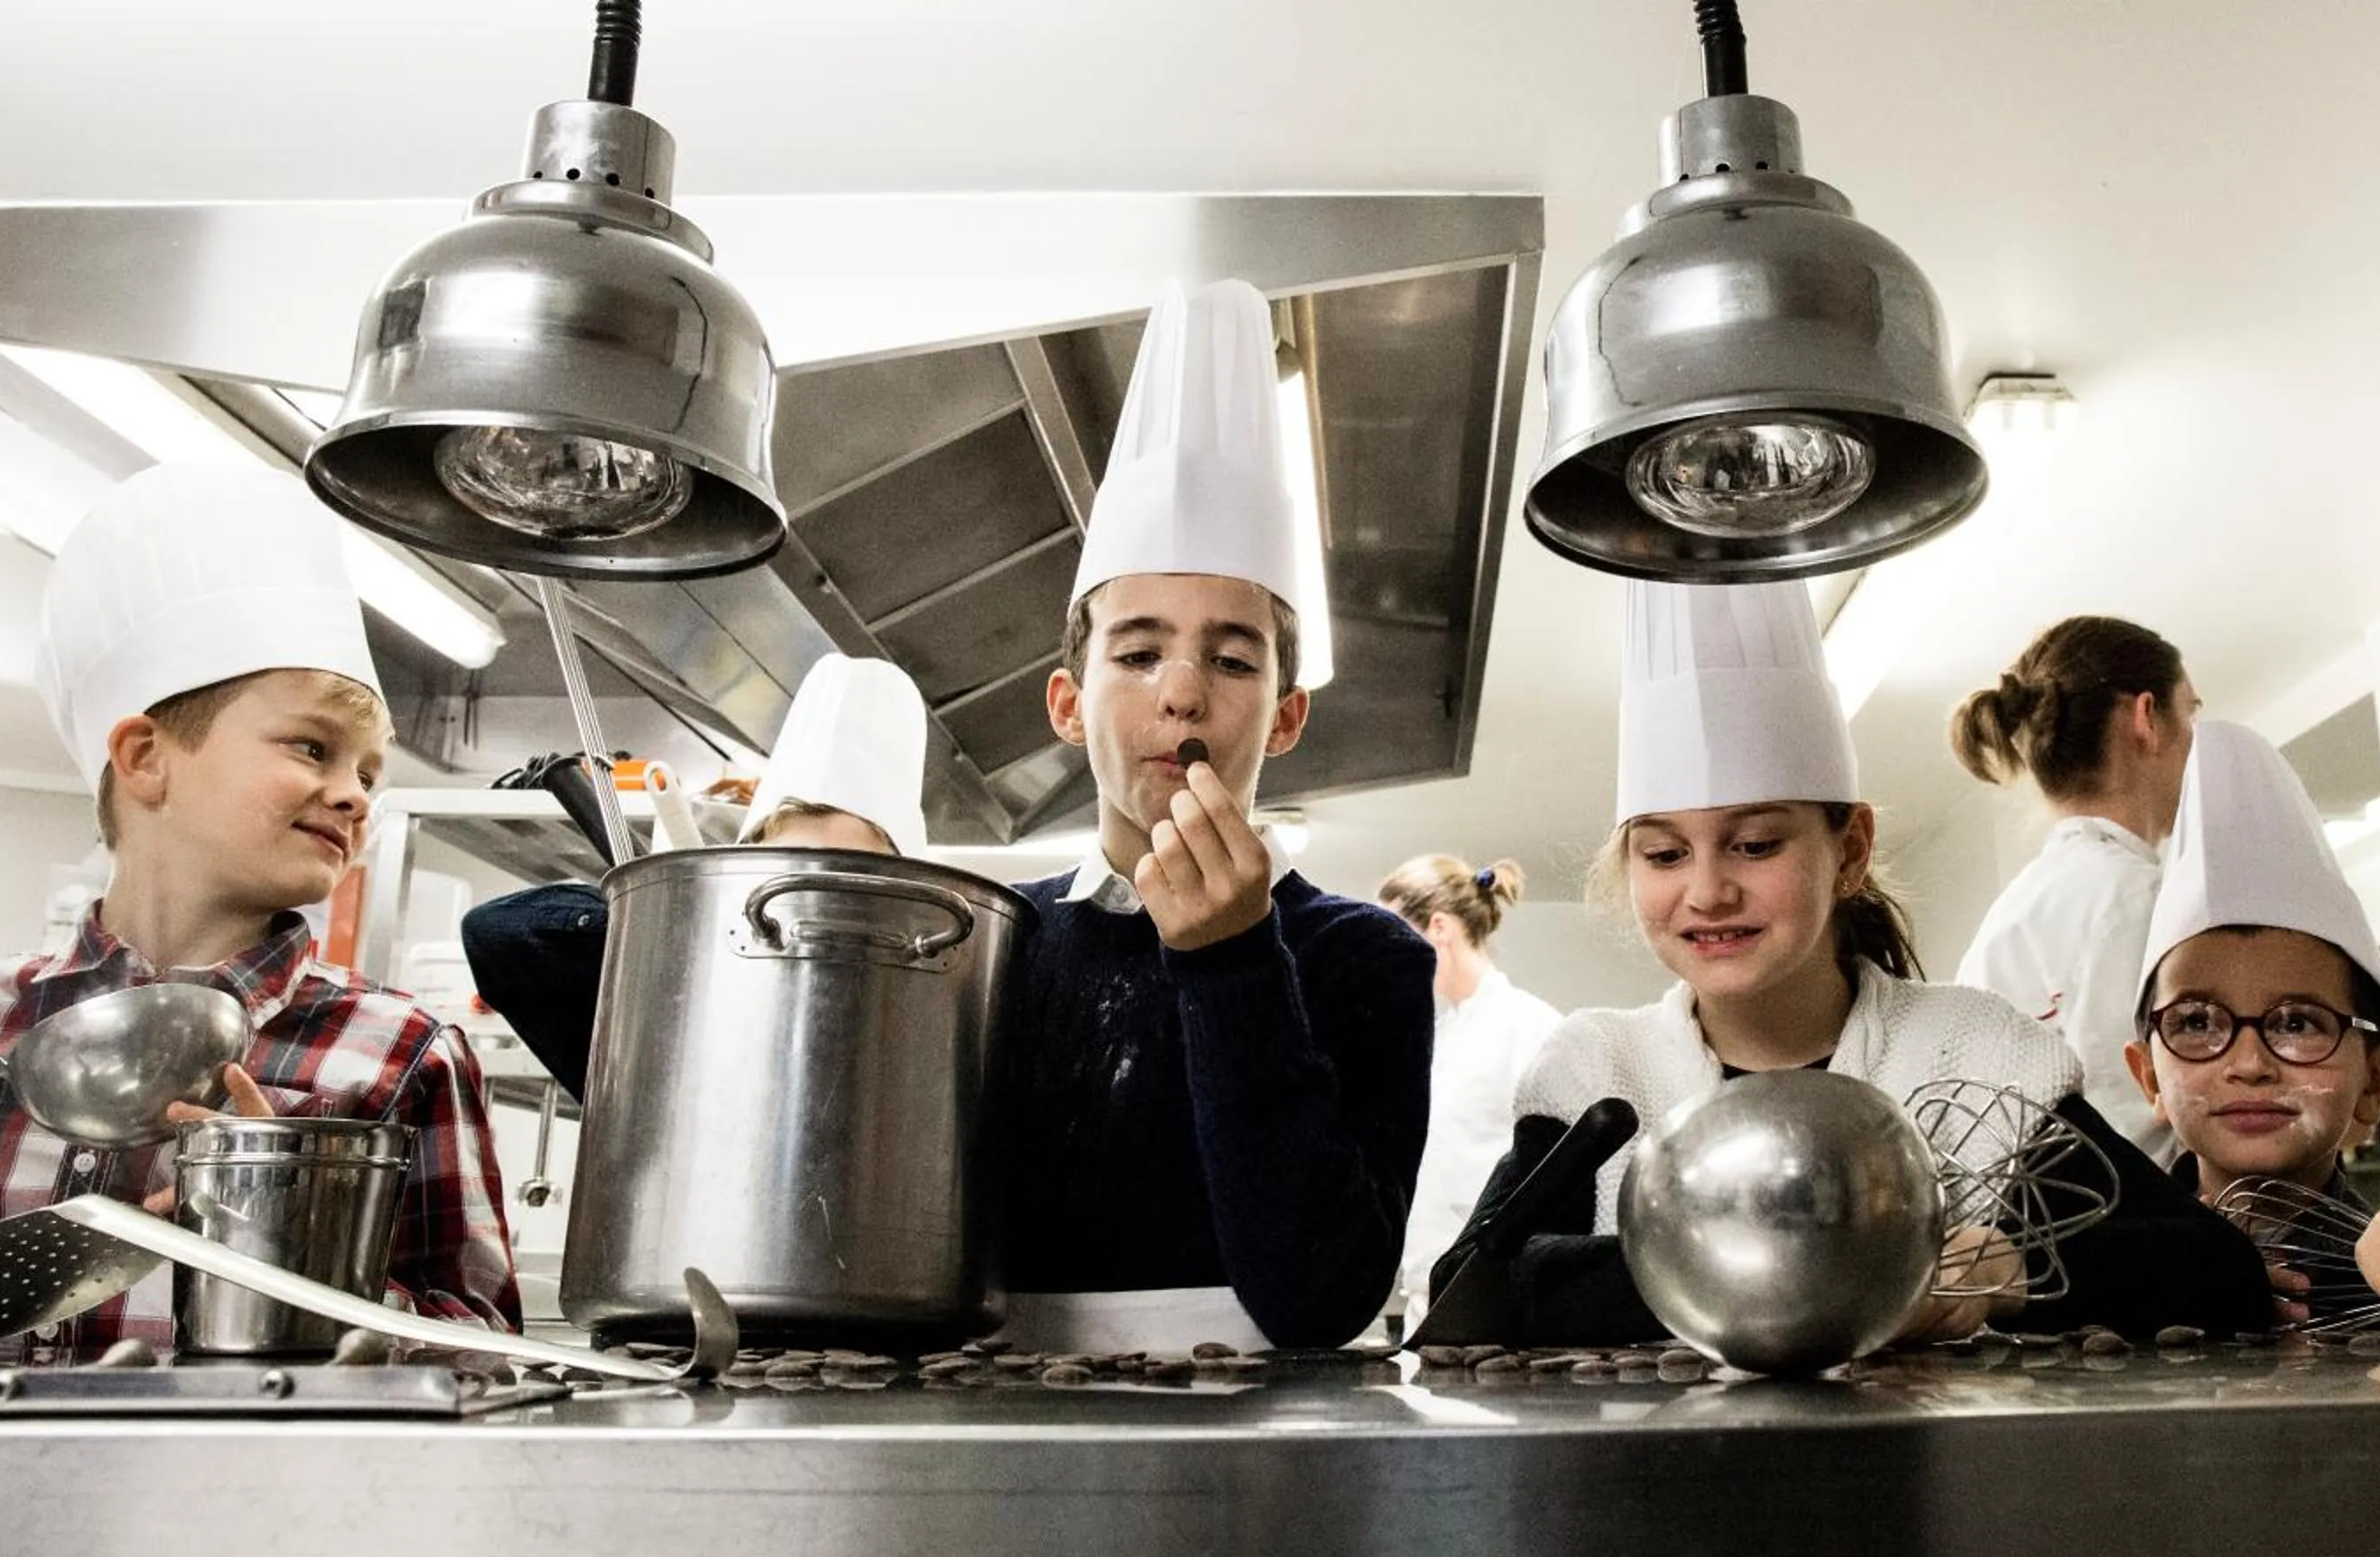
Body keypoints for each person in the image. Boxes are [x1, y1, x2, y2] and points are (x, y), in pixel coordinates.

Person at [1436, 581, 2271, 1346]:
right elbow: (1469, 1293)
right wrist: (1852, 1268)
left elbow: (2216, 1272)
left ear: (1851, 851)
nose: (1708, 890)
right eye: (1663, 854)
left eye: (1756, 844)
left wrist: (2004, 1272)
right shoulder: (1598, 1070)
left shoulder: (1970, 1054)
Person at [0, 463, 519, 1359]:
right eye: (313, 747)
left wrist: (297, 1257)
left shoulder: (404, 1050)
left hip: (250, 1499)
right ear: (145, 756)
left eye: (370, 774)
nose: (354, 796)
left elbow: (490, 1351)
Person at [985, 279, 1435, 1354]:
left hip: (1264, 1442)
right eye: (1136, 653)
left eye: (1231, 659)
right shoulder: (992, 942)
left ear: (1283, 718)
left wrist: (1233, 963)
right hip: (994, 1426)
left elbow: (1321, 1298)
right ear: (1066, 703)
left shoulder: (1363, 959)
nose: (1181, 692)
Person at [2125, 720, 2380, 1338]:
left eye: (2297, 1023)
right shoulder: (2098, 1264)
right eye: (2198, 1021)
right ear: (2149, 1074)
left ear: (2377, 1079)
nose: (2249, 1062)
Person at [462, 653, 931, 1097]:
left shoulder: (942, 1038)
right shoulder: (664, 1019)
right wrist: (681, 916)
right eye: (789, 870)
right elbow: (498, 935)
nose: (813, 905)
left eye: (848, 878)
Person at [1952, 617, 2199, 1161]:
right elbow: (2137, 1126)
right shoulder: (2137, 896)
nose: (2196, 743)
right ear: (2148, 719)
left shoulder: (2013, 910)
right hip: (2119, 1234)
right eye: (2191, 712)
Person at [1375, 855, 1561, 1326]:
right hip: (1426, 1296)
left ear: (1438, 927)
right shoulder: (1436, 1037)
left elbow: (1558, 1176)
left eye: (1393, 935)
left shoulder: (1531, 1028)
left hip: (1499, 1302)